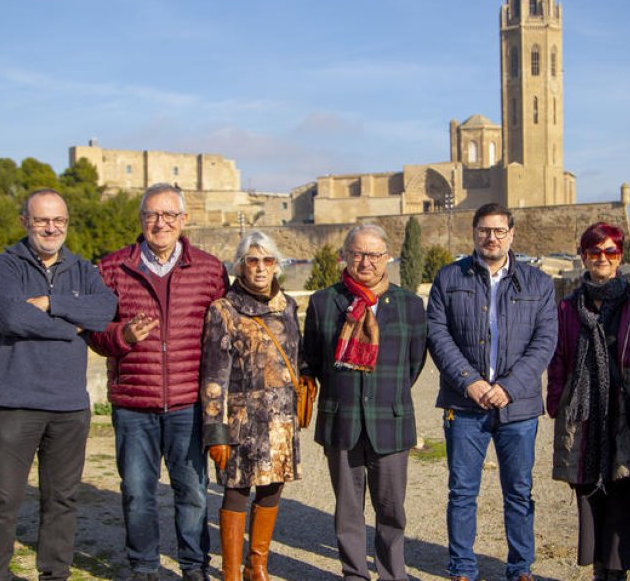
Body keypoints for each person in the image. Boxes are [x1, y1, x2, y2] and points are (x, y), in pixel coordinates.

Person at [88, 183, 228, 581]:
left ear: (184, 220)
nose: (160, 222)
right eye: (152, 215)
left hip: (188, 402)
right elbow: (95, 333)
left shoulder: (209, 269)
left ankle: (194, 565)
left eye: (169, 215)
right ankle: (144, 566)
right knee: (136, 493)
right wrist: (122, 337)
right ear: (141, 220)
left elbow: (226, 331)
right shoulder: (114, 268)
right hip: (134, 403)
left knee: (193, 493)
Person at [0, 189, 117, 581]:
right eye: (42, 220)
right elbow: (11, 318)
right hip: (15, 401)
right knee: (2, 498)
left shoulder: (84, 270)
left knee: (61, 499)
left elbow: (105, 310)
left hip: (69, 405)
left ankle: (55, 574)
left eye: (59, 221)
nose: (51, 228)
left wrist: (51, 303)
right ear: (25, 222)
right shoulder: (4, 267)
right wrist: (72, 325)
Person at [426, 203, 557, 581]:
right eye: (485, 230)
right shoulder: (449, 278)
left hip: (518, 408)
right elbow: (438, 334)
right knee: (463, 492)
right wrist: (470, 381)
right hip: (464, 405)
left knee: (518, 492)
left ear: (512, 235)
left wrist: (509, 388)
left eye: (499, 231)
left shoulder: (538, 283)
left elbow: (545, 341)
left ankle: (520, 569)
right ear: (474, 233)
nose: (492, 237)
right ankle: (462, 568)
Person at [301, 224, 428, 581]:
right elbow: (314, 358)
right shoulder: (324, 302)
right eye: (357, 254)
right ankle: (355, 574)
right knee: (348, 511)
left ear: (387, 257)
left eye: (374, 254)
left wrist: (385, 394)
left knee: (391, 510)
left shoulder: (410, 305)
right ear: (345, 256)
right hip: (342, 421)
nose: (366, 262)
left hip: (391, 420)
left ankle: (392, 574)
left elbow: (414, 363)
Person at [546, 223, 630, 581]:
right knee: (590, 490)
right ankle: (599, 569)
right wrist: (556, 403)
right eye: (595, 252)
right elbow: (560, 357)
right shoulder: (568, 306)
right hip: (584, 411)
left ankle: (618, 571)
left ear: (620, 256)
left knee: (623, 490)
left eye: (610, 252)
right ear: (583, 257)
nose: (602, 259)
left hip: (625, 408)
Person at [201, 231, 302, 581]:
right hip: (241, 420)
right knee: (236, 491)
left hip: (281, 419)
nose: (260, 268)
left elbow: (295, 357)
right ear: (240, 266)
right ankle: (230, 572)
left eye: (267, 260)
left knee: (273, 488)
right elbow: (214, 377)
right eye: (252, 261)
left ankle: (256, 565)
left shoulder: (287, 306)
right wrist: (215, 431)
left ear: (276, 265)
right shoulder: (224, 310)